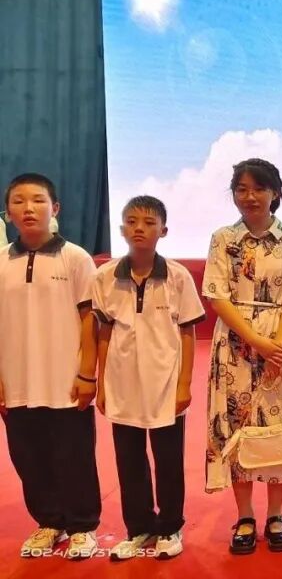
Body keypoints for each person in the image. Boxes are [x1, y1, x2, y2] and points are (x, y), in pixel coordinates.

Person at [203, 158, 282, 554]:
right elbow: (217, 295)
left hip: (280, 344)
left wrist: (275, 345)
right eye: (242, 189)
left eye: (259, 188)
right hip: (235, 346)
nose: (250, 196)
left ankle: (276, 515)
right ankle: (245, 515)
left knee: (278, 427)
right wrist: (255, 341)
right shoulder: (223, 239)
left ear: (275, 193)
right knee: (238, 427)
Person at [92, 195, 204, 560]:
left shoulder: (177, 277)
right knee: (129, 461)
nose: (139, 228)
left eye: (149, 222)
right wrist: (102, 383)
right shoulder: (105, 277)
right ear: (121, 228)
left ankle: (170, 527)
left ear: (163, 231)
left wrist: (184, 384)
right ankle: (138, 527)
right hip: (122, 383)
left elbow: (187, 332)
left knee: (168, 460)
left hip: (165, 384)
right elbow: (104, 332)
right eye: (132, 221)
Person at [0, 173, 101, 559]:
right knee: (28, 456)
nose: (29, 208)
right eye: (19, 201)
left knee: (74, 455)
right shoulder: (1, 262)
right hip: (17, 382)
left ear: (54, 208)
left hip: (65, 381)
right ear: (8, 213)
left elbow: (90, 319)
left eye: (38, 200)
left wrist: (87, 373)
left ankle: (82, 526)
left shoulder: (75, 258)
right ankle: (48, 522)